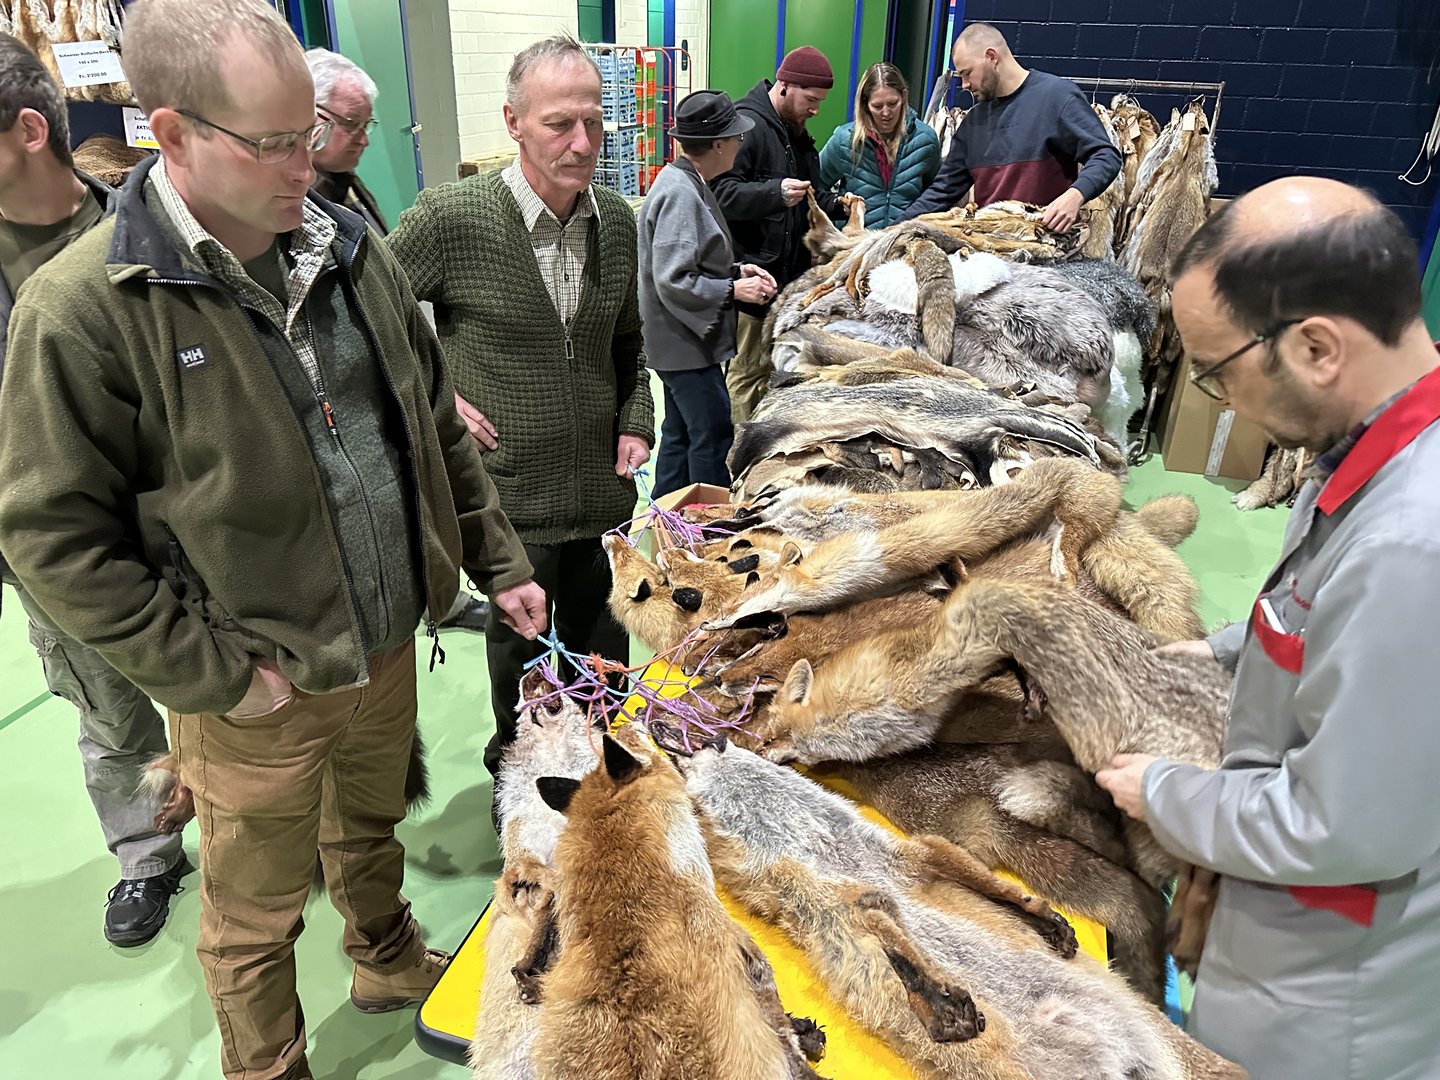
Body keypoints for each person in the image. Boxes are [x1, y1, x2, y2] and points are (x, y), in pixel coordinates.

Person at [0, 3, 547, 1078]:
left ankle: (385, 958)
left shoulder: (349, 248)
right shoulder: (85, 308)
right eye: (274, 143)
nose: (309, 163)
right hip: (257, 685)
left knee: (370, 829)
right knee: (254, 915)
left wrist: (497, 564)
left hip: (385, 644)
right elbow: (50, 536)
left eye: (312, 134)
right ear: (172, 132)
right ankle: (267, 1063)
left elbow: (431, 428)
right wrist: (215, 678)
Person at [1095, 177, 1440, 1080]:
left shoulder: (1413, 545)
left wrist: (1164, 793)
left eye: (1217, 372)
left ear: (1317, 346)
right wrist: (1218, 649)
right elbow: (1336, 618)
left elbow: (1342, 829)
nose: (1220, 399)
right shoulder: (1373, 453)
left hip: (1328, 1003)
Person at [387, 34, 654, 810]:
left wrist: (635, 417)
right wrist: (437, 400)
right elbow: (372, 321)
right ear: (513, 122)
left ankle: (603, 798)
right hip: (510, 504)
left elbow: (628, 341)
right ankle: (522, 798)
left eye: (593, 122)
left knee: (604, 666)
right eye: (559, 124)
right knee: (525, 670)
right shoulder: (453, 219)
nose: (582, 143)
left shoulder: (617, 221)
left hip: (603, 499)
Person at [0, 32, 191, 948]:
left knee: (231, 691)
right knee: (105, 705)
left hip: (181, 521)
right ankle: (146, 855)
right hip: (56, 544)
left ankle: (259, 829)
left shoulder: (145, 228)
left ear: (30, 130)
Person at [304, 46, 489, 633]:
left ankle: (440, 597)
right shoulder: (298, 205)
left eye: (368, 124)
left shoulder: (344, 189)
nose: (363, 138)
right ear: (310, 118)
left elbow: (392, 295)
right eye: (351, 124)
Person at [637, 90, 776, 495]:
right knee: (712, 433)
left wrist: (736, 271)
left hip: (678, 342)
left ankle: (669, 515)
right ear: (717, 144)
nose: (740, 144)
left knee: (680, 433)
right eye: (736, 137)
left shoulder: (686, 181)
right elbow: (674, 279)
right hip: (684, 345)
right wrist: (734, 289)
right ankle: (707, 521)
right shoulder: (680, 193)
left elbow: (690, 261)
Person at [711, 45, 844, 423]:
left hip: (787, 285)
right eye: (811, 100)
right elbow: (720, 194)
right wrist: (775, 193)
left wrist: (837, 205)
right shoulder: (746, 127)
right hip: (753, 284)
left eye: (819, 102)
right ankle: (740, 450)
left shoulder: (795, 135)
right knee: (747, 374)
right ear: (785, 86)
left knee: (775, 370)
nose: (816, 110)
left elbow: (808, 195)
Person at [899, 23, 1120, 230]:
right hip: (990, 246)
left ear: (991, 57)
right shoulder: (973, 124)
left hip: (1043, 244)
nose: (964, 85)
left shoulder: (1057, 97)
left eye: (967, 73)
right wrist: (889, 233)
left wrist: (1075, 195)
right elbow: (940, 193)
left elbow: (1105, 155)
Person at [819, 62, 940, 229]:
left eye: (893, 104)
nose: (886, 113)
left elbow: (937, 195)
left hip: (905, 240)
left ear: (904, 96)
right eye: (877, 106)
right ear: (865, 104)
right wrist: (837, 206)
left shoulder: (925, 139)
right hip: (857, 242)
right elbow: (815, 185)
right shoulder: (845, 140)